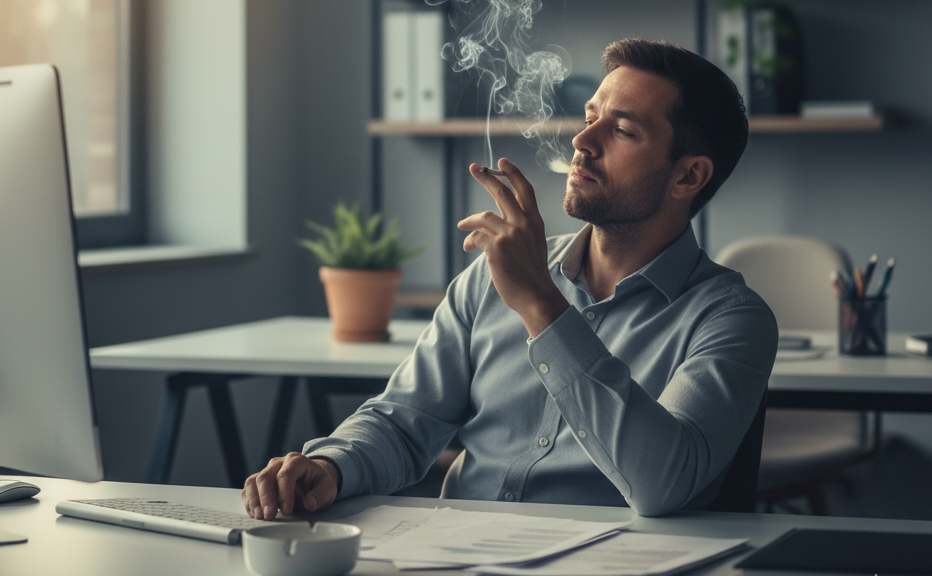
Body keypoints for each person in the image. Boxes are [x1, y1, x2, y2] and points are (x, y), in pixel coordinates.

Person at [242, 38, 778, 520]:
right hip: (455, 555)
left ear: (689, 175)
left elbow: (664, 484)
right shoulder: (491, 276)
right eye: (591, 116)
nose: (583, 141)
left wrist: (542, 306)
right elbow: (404, 424)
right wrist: (332, 466)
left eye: (622, 130)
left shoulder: (731, 319)